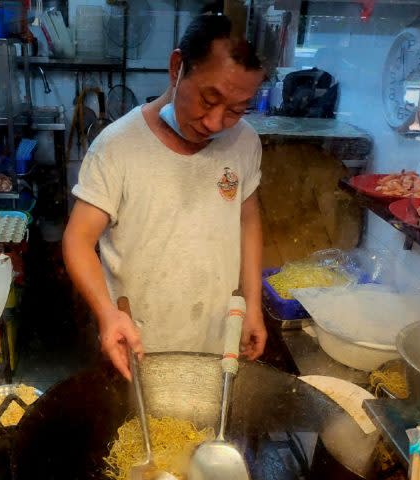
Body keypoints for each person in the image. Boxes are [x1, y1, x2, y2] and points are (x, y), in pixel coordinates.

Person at [63, 14, 267, 380]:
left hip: (215, 343)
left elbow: (247, 219)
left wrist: (253, 305)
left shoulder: (245, 142)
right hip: (138, 344)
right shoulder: (117, 147)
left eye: (236, 109)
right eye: (209, 99)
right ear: (177, 68)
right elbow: (78, 240)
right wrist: (107, 315)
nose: (215, 122)